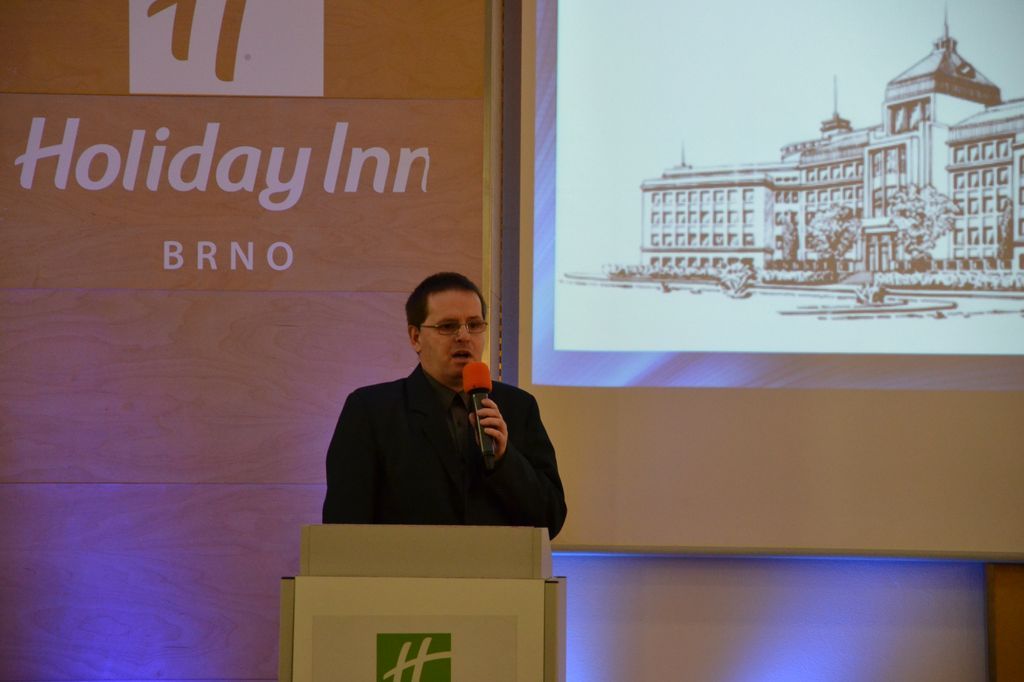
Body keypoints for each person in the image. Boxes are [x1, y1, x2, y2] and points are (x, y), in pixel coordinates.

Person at [321, 272, 567, 539]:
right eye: (448, 326)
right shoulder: (371, 411)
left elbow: (550, 519)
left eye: (474, 325)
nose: (464, 336)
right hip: (406, 566)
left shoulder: (518, 407)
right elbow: (343, 529)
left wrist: (504, 460)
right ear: (415, 337)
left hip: (497, 567)